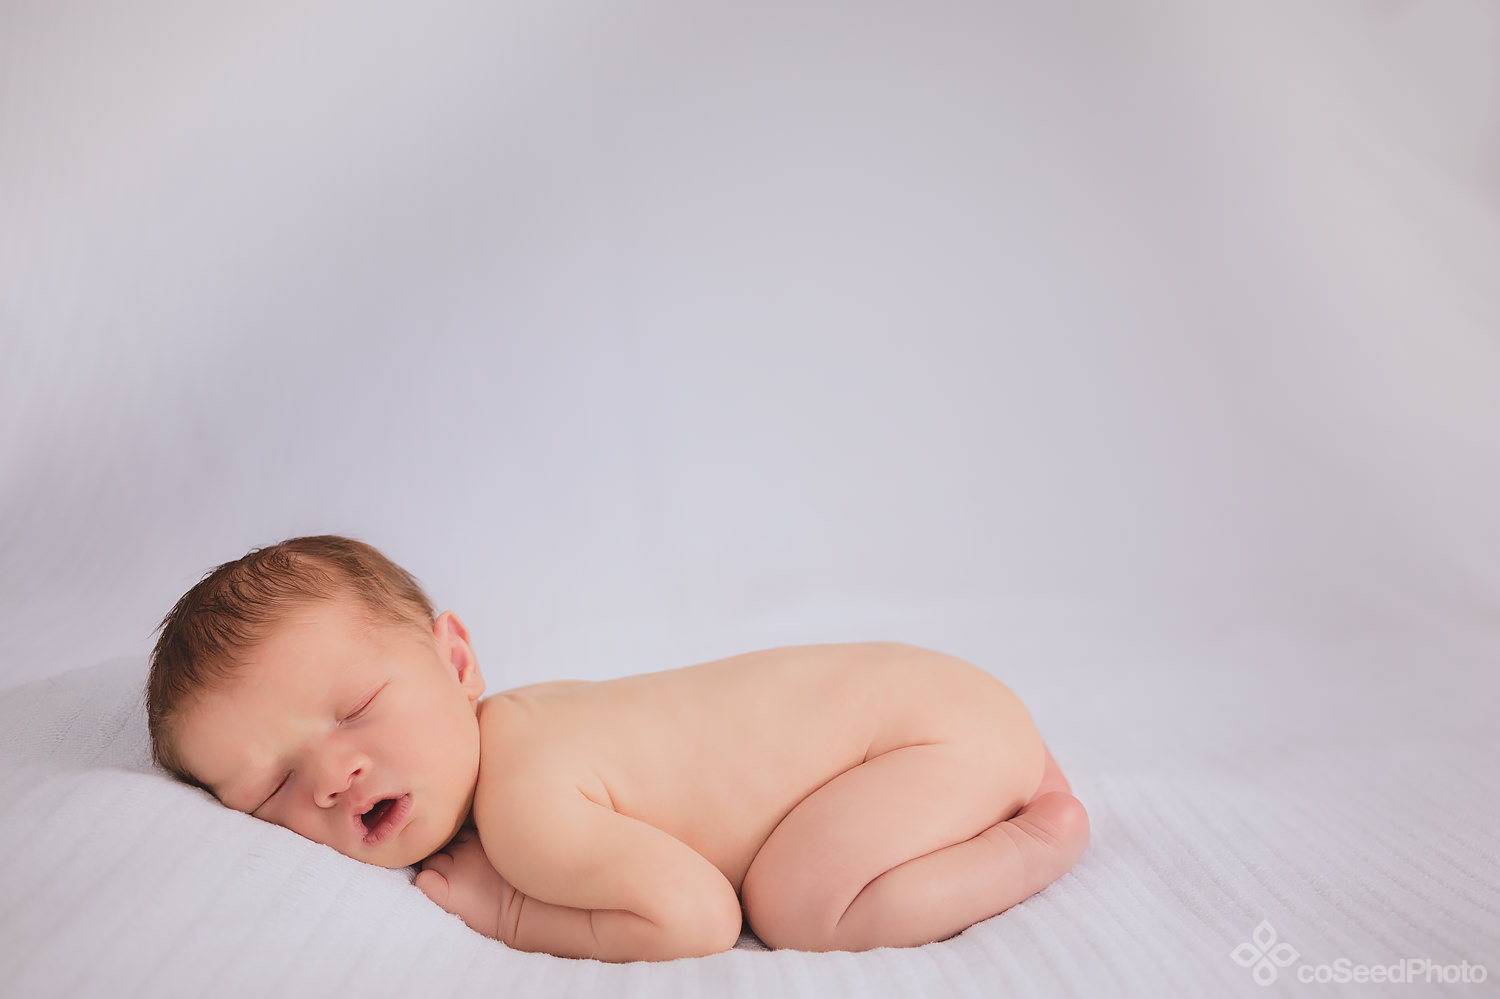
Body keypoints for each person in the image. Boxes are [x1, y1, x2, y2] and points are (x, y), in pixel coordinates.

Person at [147, 535, 1090, 962]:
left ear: (458, 660)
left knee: (799, 905)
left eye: (355, 706)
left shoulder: (524, 805)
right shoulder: (525, 723)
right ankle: (1010, 770)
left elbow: (697, 918)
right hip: (940, 703)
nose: (328, 776)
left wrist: (512, 915)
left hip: (923, 738)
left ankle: (1031, 837)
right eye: (270, 784)